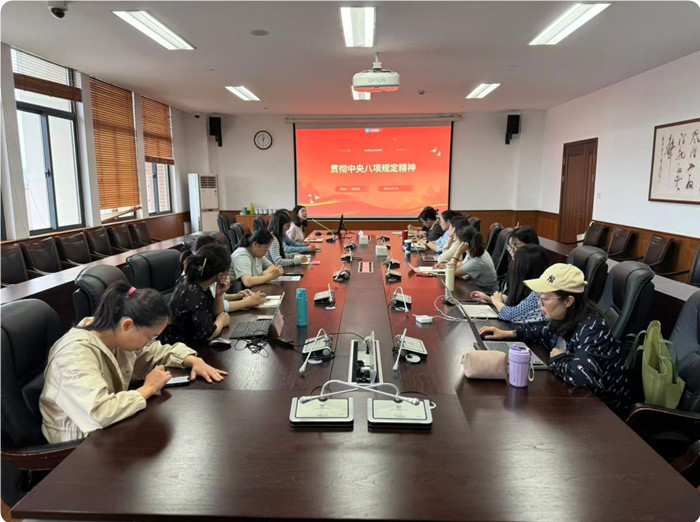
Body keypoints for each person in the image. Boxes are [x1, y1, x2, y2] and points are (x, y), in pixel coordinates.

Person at [40, 282, 227, 443]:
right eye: (149, 337)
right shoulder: (74, 355)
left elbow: (157, 352)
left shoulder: (114, 335)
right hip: (78, 444)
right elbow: (99, 412)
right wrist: (148, 388)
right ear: (127, 325)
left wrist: (193, 360)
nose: (150, 342)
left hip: (107, 429)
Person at [479, 264, 630, 411]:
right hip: (579, 402)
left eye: (545, 299)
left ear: (568, 301)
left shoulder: (593, 327)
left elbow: (583, 378)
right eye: (539, 298)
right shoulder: (566, 318)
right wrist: (510, 334)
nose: (540, 304)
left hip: (604, 413)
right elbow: (542, 331)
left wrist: (558, 359)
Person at [161, 243, 266, 346]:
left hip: (189, 342)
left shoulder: (201, 284)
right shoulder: (193, 293)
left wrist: (219, 294)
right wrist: (220, 322)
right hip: (178, 347)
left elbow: (215, 312)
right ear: (221, 274)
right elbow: (207, 334)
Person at [470, 244, 549, 324]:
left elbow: (511, 315)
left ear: (524, 269)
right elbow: (518, 306)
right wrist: (491, 300)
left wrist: (497, 302)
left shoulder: (538, 293)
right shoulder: (530, 287)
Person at [449, 226, 498, 293]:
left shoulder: (476, 261)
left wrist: (457, 253)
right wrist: (445, 266)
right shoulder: (475, 249)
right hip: (476, 286)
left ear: (464, 244)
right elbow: (463, 263)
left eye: (458, 241)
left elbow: (451, 274)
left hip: (486, 292)